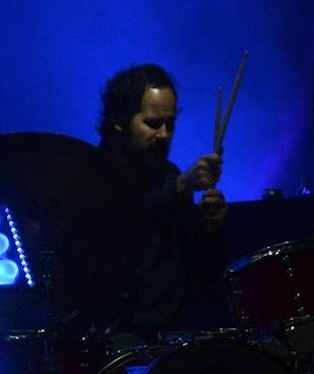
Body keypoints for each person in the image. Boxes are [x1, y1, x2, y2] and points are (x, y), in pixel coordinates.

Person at [95, 62, 231, 351]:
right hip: (119, 339)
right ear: (119, 120)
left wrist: (210, 230)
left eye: (170, 124)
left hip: (176, 336)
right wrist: (179, 188)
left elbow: (201, 275)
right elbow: (123, 223)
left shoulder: (168, 175)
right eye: (153, 124)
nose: (165, 134)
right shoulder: (92, 175)